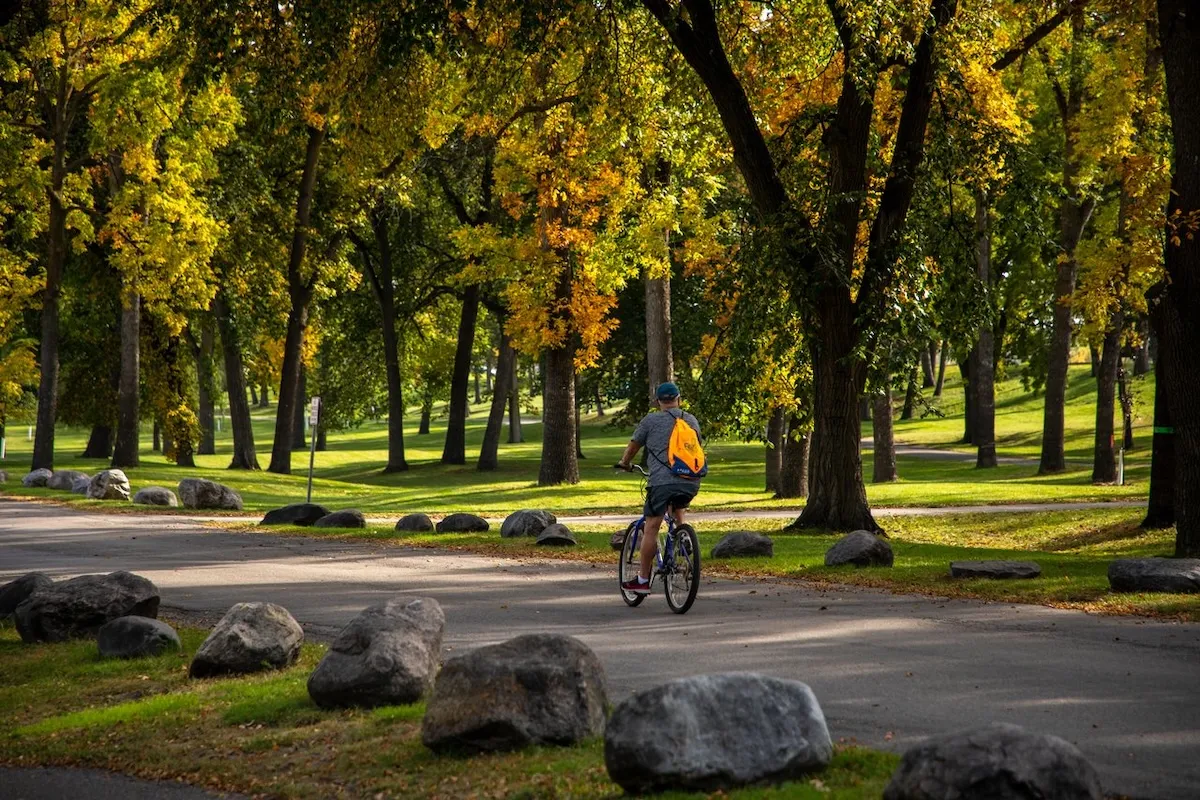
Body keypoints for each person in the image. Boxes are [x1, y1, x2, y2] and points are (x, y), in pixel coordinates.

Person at [616, 381, 702, 594]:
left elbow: (633, 446)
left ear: (658, 401)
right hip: (691, 480)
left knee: (651, 527)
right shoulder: (690, 419)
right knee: (677, 499)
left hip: (662, 482)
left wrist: (624, 463)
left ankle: (643, 580)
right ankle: (683, 535)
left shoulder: (651, 420)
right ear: (678, 399)